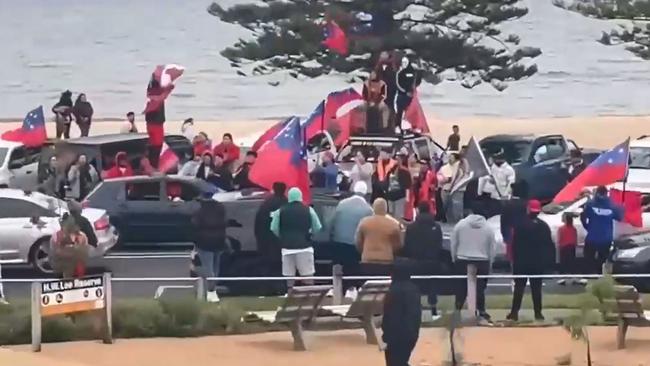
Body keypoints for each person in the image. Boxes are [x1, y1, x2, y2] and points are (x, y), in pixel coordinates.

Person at [506, 200, 555, 322]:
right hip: (537, 262)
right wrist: (548, 261)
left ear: (528, 209)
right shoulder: (544, 226)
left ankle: (514, 312)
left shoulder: (519, 225)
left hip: (521, 262)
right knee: (536, 289)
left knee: (519, 288)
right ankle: (538, 313)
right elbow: (549, 245)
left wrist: (512, 258)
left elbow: (514, 244)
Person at [450, 204, 496, 322]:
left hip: (462, 259)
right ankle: (481, 311)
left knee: (461, 287)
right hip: (482, 260)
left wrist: (454, 258)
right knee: (480, 288)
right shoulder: (488, 227)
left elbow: (454, 243)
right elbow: (492, 248)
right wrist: (490, 263)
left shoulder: (460, 225)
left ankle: (457, 310)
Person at [270, 187, 322, 289]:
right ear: (300, 196)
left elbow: (273, 228)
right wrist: (310, 234)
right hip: (305, 247)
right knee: (307, 275)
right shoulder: (309, 210)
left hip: (287, 248)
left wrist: (282, 236)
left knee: (289, 277)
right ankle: (309, 297)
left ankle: (289, 297)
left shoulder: (280, 211)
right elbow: (318, 227)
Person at [330, 181, 373, 294]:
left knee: (340, 269)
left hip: (339, 242)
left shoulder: (342, 204)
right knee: (353, 270)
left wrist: (332, 237)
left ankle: (339, 290)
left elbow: (332, 222)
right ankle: (352, 290)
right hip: (355, 246)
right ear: (365, 193)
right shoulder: (368, 209)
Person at [402, 202, 443, 315]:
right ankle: (433, 308)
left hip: (415, 261)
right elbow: (439, 244)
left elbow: (407, 245)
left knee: (415, 285)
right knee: (432, 284)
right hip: (432, 261)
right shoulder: (436, 227)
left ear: (418, 211)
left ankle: (416, 308)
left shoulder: (411, 227)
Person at [382, 258, 421, 366]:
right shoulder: (414, 289)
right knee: (401, 361)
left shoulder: (394, 291)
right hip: (412, 335)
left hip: (396, 337)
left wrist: (386, 335)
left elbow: (391, 317)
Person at [192, 195, 227, 303]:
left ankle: (211, 291)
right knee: (216, 268)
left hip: (204, 242)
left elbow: (194, 225)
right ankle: (212, 290)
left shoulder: (199, 212)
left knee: (208, 267)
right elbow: (225, 222)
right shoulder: (221, 209)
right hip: (219, 240)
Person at [580, 186, 623, 275]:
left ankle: (589, 275)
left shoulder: (590, 204)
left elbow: (583, 217)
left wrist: (587, 227)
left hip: (592, 237)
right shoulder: (612, 205)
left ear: (597, 193)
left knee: (589, 258)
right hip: (606, 238)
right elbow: (619, 217)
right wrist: (621, 207)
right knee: (602, 259)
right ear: (606, 193)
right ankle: (599, 275)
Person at [356, 198, 402, 276]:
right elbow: (398, 245)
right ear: (386, 209)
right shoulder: (393, 225)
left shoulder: (364, 222)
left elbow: (358, 242)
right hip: (386, 261)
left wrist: (364, 251)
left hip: (367, 260)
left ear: (373, 208)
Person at [254, 182, 287, 262]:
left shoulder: (267, 203)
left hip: (266, 239)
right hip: (279, 242)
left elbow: (259, 220)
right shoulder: (285, 202)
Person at [49, 214, 89, 278]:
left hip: (77, 267)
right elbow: (54, 253)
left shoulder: (81, 236)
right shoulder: (56, 236)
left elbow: (85, 252)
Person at [478, 150, 516, 217]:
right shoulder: (492, 167)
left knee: (503, 215)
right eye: (495, 158)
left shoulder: (509, 169)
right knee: (492, 215)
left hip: (503, 197)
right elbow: (484, 178)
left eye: (498, 159)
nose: (495, 160)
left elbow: (511, 184)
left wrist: (506, 195)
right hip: (492, 196)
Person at [499, 181, 529, 263]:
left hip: (511, 234)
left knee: (513, 257)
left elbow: (503, 221)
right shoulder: (526, 204)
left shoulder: (508, 205)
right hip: (524, 233)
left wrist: (505, 235)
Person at [437, 152, 466, 223]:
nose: (450, 159)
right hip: (445, 189)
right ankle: (445, 219)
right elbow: (438, 175)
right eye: (449, 157)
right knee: (445, 205)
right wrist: (443, 180)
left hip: (456, 190)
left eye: (452, 158)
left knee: (456, 206)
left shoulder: (460, 168)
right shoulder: (444, 168)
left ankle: (457, 220)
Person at [385, 150, 412, 220]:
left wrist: (407, 198)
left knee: (398, 216)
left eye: (398, 158)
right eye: (396, 158)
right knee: (390, 216)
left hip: (400, 197)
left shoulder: (405, 171)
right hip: (390, 196)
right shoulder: (392, 169)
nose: (397, 160)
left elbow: (408, 186)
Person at [395, 56, 417, 133]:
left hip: (410, 95)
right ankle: (398, 126)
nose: (404, 64)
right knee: (400, 111)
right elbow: (397, 84)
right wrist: (404, 92)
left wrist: (412, 91)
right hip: (402, 95)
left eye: (405, 62)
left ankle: (411, 125)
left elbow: (414, 82)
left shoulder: (413, 72)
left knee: (410, 111)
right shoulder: (399, 72)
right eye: (403, 62)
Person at [557, 212, 578, 286]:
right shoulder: (574, 229)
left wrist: (559, 246)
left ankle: (562, 278)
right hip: (571, 247)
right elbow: (575, 239)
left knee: (563, 263)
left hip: (564, 247)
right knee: (572, 263)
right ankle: (573, 277)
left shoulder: (561, 229)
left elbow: (560, 239)